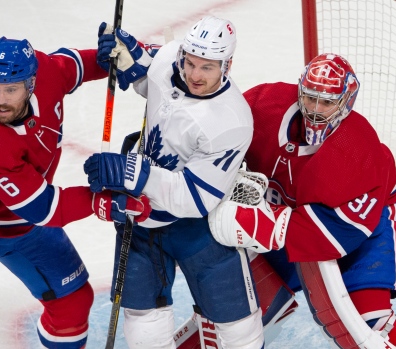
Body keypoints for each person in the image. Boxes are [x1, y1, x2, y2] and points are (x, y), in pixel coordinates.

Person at [0, 36, 150, 349]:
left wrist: (115, 57)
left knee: (73, 303)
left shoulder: (47, 71)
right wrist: (99, 201)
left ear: (32, 84)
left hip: (17, 222)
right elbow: (43, 209)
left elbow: (79, 65)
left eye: (9, 89)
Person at [208, 53, 396, 348]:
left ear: (346, 102)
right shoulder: (266, 104)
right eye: (310, 98)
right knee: (230, 307)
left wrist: (258, 225)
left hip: (361, 229)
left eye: (327, 102)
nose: (315, 110)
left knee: (372, 322)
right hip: (289, 217)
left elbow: (330, 236)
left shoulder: (358, 151)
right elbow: (212, 122)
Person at [83, 16, 264, 349]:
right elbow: (151, 80)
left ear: (227, 65)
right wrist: (127, 57)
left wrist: (131, 173)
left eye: (207, 68)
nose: (194, 74)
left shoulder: (231, 121)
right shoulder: (169, 58)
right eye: (190, 62)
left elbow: (195, 199)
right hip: (142, 218)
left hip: (199, 230)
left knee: (240, 331)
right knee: (143, 328)